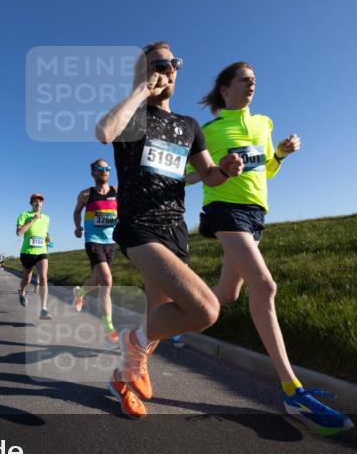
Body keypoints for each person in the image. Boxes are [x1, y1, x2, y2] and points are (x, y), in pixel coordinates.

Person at [186, 61, 352, 435]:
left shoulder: (264, 124)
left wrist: (280, 155)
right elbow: (189, 175)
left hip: (255, 214)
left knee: (227, 295)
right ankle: (293, 390)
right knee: (265, 286)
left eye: (255, 81)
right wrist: (220, 170)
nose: (252, 85)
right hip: (223, 210)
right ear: (224, 88)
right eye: (244, 80)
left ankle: (179, 316)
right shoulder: (208, 130)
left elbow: (266, 172)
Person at [95, 41, 244, 418]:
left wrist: (225, 170)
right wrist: (142, 89)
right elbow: (103, 132)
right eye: (159, 63)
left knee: (162, 317)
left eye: (173, 62)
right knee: (206, 310)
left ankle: (124, 374)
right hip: (139, 228)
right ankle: (132, 342)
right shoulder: (134, 115)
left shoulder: (189, 126)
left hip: (175, 229)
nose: (169, 68)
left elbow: (209, 174)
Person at [72, 158, 119, 343]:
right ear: (93, 173)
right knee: (107, 280)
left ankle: (80, 293)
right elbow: (76, 212)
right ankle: (109, 328)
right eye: (100, 169)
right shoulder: (85, 194)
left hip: (111, 242)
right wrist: (77, 227)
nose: (105, 171)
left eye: (107, 168)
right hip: (93, 241)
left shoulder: (116, 192)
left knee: (98, 281)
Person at [16, 193, 52, 320]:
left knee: (43, 278)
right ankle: (21, 291)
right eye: (35, 201)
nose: (38, 203)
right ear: (31, 203)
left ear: (42, 204)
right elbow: (19, 232)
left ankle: (43, 309)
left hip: (41, 252)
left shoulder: (47, 218)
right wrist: (32, 220)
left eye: (40, 201)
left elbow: (43, 232)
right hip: (27, 252)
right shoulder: (24, 215)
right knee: (26, 279)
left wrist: (47, 238)